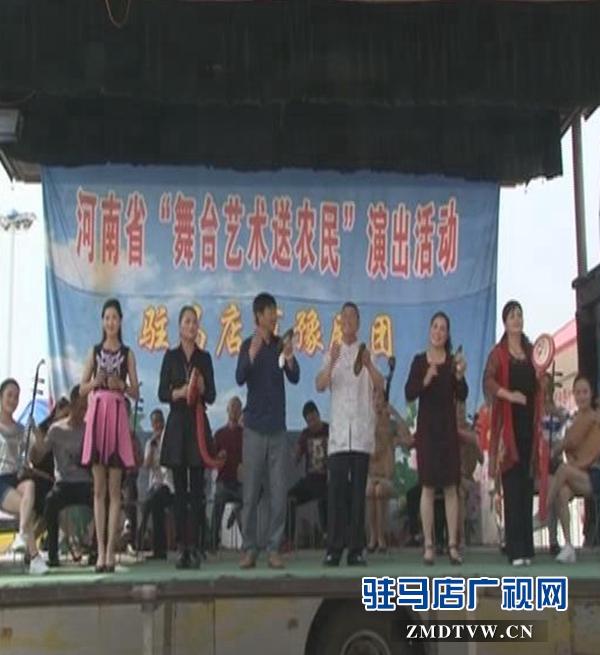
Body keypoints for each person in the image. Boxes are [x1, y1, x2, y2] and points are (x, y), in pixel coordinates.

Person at [316, 301, 384, 567]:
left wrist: (368, 365)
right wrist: (332, 362)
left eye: (352, 317)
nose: (348, 321)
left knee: (357, 496)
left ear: (358, 322)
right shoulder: (332, 353)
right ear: (339, 322)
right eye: (344, 317)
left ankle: (356, 549)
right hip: (339, 436)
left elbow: (380, 385)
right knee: (336, 494)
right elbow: (320, 385)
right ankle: (334, 549)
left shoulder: (367, 353)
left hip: (361, 434)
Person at [235, 292, 300, 569]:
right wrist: (250, 356)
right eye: (270, 312)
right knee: (250, 494)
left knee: (278, 492)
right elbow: (240, 377)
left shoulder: (280, 345)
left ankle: (274, 548)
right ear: (259, 316)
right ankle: (250, 548)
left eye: (275, 311)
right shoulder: (248, 345)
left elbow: (294, 377)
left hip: (277, 430)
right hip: (253, 430)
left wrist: (290, 357)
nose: (274, 316)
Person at [80, 298, 140, 573]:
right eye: (107, 318)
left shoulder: (128, 353)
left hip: (117, 416)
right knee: (99, 489)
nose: (111, 322)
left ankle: (111, 551)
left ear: (121, 321)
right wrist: (96, 381)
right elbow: (82, 388)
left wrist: (122, 385)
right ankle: (100, 549)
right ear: (102, 321)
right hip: (97, 416)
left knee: (115, 490)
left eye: (115, 317)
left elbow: (136, 392)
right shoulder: (94, 351)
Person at [158, 305, 220, 569]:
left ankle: (196, 546)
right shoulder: (171, 356)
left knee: (197, 491)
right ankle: (182, 547)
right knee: (180, 492)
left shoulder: (204, 358)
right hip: (176, 425)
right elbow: (162, 392)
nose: (192, 326)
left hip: (196, 423)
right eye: (187, 321)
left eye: (195, 322)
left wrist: (202, 388)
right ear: (180, 326)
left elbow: (212, 395)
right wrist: (179, 392)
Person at [405, 311, 468, 565]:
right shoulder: (420, 361)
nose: (438, 332)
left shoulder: (452, 362)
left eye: (443, 328)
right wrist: (425, 379)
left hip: (448, 432)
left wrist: (460, 375)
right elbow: (409, 392)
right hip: (428, 433)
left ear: (447, 334)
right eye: (435, 327)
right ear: (430, 330)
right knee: (428, 488)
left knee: (451, 487)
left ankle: (452, 545)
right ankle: (429, 545)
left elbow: (462, 394)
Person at [483, 300, 543, 567]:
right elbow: (488, 381)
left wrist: (540, 379)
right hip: (508, 427)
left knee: (526, 486)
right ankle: (515, 549)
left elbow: (540, 384)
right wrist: (510, 395)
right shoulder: (499, 354)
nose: (517, 319)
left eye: (519, 314)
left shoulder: (531, 351)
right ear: (505, 323)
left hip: (529, 425)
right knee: (512, 485)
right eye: (512, 316)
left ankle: (527, 548)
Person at [542, 375, 600, 563]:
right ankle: (568, 546)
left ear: (591, 394)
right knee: (563, 492)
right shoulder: (575, 419)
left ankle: (543, 512)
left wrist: (553, 452)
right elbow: (571, 448)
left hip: (595, 475)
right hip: (582, 474)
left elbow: (570, 441)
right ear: (573, 394)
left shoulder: (592, 417)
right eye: (578, 392)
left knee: (563, 470)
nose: (581, 396)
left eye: (585, 392)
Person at [39, 385, 95, 567]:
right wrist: (35, 439)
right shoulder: (56, 429)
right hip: (63, 483)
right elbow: (39, 454)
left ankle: (95, 550)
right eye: (80, 408)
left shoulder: (89, 429)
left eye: (86, 409)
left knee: (102, 501)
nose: (83, 413)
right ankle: (53, 554)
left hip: (85, 482)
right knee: (50, 502)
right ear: (71, 406)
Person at [0, 378, 49, 574]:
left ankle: (22, 536)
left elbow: (38, 455)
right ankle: (34, 557)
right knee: (25, 507)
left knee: (30, 486)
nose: (13, 400)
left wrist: (36, 432)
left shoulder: (21, 429)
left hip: (15, 477)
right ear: (1, 397)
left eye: (16, 396)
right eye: (9, 395)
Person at [366, 388, 410, 553]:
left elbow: (407, 439)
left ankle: (381, 536)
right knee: (371, 490)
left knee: (379, 490)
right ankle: (373, 536)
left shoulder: (391, 426)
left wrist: (395, 414)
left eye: (380, 398)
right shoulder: (368, 424)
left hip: (387, 478)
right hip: (372, 476)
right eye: (374, 398)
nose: (377, 402)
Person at [286, 401, 329, 548]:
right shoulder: (305, 434)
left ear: (319, 415)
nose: (313, 423)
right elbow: (296, 459)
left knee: (326, 498)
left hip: (327, 481)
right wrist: (294, 454)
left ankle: (328, 536)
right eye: (309, 421)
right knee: (290, 498)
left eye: (314, 419)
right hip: (310, 481)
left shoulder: (329, 430)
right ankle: (288, 540)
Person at [137, 409, 174, 560]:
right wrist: (153, 447)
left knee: (152, 502)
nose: (158, 425)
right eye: (155, 423)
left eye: (160, 422)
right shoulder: (149, 443)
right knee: (153, 505)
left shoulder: (171, 441)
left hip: (169, 486)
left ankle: (140, 538)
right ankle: (159, 550)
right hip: (154, 486)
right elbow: (146, 465)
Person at [210, 396, 243, 552]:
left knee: (253, 494)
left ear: (241, 412)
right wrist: (218, 458)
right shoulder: (219, 434)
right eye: (232, 407)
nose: (235, 410)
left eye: (237, 408)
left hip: (241, 482)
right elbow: (212, 460)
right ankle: (212, 541)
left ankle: (248, 541)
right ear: (227, 410)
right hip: (223, 480)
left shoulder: (246, 434)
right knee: (219, 499)